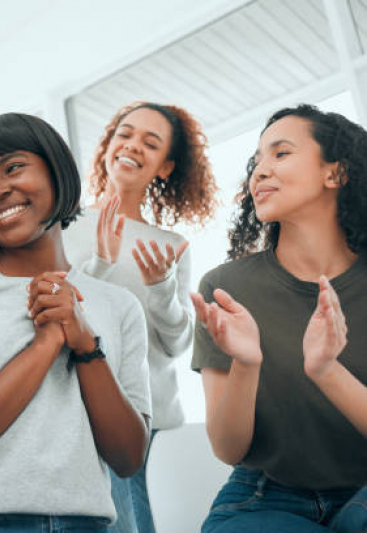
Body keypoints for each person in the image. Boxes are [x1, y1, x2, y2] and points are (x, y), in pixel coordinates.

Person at [0, 113, 152, 532]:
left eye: (13, 167)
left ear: (58, 171)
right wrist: (44, 345)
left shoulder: (119, 305)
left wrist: (85, 344)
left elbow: (128, 458)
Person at [191, 104, 367, 532]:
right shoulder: (224, 288)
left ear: (336, 173)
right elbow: (229, 449)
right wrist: (246, 365)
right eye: (257, 161)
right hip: (264, 496)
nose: (259, 172)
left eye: (280, 154)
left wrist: (325, 371)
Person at [63, 101, 218, 533]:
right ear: (108, 145)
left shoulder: (171, 246)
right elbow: (58, 312)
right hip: (81, 416)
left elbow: (177, 344)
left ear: (165, 166)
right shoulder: (63, 223)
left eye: (150, 143)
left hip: (151, 425)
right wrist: (98, 262)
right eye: (125, 135)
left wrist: (161, 288)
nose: (132, 147)